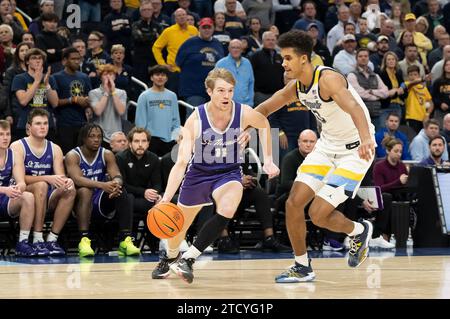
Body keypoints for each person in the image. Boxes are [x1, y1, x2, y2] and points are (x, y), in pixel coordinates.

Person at [254, 30, 375, 283]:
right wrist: (239, 128)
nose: (284, 63)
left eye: (288, 58)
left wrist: (365, 139)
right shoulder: (296, 87)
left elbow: (354, 108)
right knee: (293, 203)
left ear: (304, 59)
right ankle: (302, 266)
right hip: (326, 147)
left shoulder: (328, 79)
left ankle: (359, 230)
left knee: (319, 214)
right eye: (282, 58)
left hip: (354, 150)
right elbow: (265, 107)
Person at [151, 68, 279, 283]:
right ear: (209, 91)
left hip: (228, 172)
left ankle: (189, 259)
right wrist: (165, 200)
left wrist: (268, 158)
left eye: (230, 90)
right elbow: (181, 162)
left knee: (228, 207)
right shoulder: (195, 120)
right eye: (220, 90)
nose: (226, 95)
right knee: (177, 229)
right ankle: (171, 257)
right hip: (199, 173)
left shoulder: (243, 112)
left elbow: (264, 124)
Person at [64, 123, 140, 257]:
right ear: (83, 138)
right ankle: (84, 241)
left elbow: (117, 175)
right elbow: (77, 179)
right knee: (85, 190)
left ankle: (125, 240)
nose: (96, 139)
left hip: (99, 201)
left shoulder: (107, 154)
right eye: (92, 136)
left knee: (122, 192)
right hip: (78, 203)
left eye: (99, 136)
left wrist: (116, 184)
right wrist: (102, 185)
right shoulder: (73, 155)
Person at [10, 109, 76, 256]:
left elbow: (59, 177)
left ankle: (52, 239)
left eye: (45, 123)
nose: (43, 127)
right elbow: (20, 179)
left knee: (70, 190)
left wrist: (67, 181)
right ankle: (37, 239)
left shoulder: (55, 148)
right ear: (29, 128)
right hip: (21, 194)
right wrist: (46, 178)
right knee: (41, 185)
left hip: (45, 194)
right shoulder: (17, 146)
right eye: (38, 123)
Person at [0, 120, 36, 256]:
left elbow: (22, 182)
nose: (5, 138)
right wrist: (5, 190)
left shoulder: (14, 155)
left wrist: (17, 188)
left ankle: (23, 242)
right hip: (4, 192)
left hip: (5, 199)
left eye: (7, 134)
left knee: (28, 196)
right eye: (1, 134)